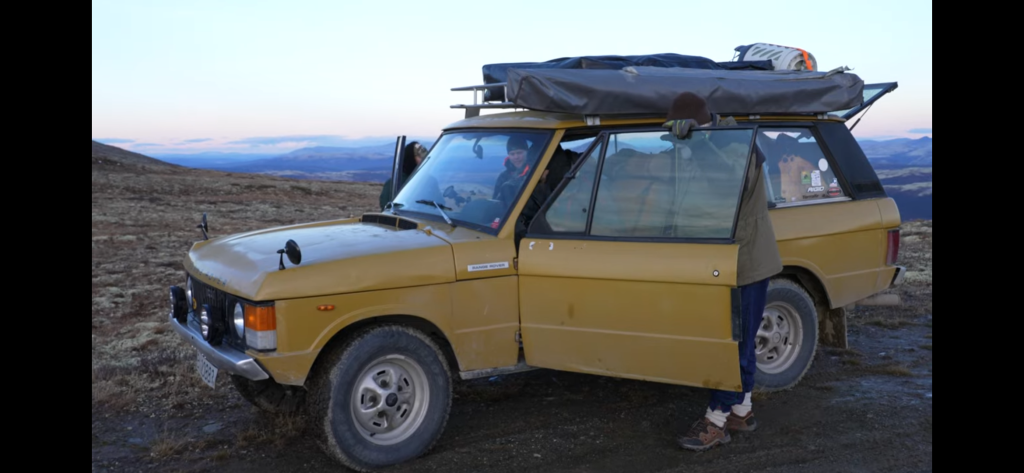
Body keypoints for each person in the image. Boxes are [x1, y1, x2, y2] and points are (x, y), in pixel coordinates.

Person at [662, 92, 783, 452]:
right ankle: (741, 410)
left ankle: (716, 418)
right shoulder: (710, 143)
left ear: (699, 126)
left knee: (735, 343)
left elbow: (727, 184)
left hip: (743, 262)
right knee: (732, 339)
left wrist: (697, 146)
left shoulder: (736, 144)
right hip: (718, 261)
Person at [380, 141, 428, 210]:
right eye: (420, 157)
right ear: (410, 158)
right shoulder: (393, 184)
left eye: (426, 157)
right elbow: (387, 211)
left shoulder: (430, 181)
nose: (424, 160)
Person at [493, 135, 532, 202]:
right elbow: (495, 202)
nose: (516, 157)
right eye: (512, 154)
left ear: (527, 153)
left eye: (519, 153)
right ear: (509, 156)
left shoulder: (535, 171)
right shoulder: (503, 177)